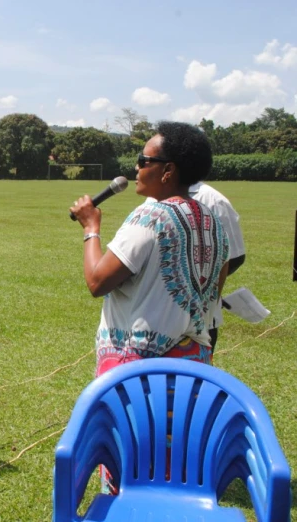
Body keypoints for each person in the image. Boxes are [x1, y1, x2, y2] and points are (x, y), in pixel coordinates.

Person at [70, 121, 230, 494]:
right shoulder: (213, 222)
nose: (136, 168)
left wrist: (91, 228)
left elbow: (97, 281)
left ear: (168, 170)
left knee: (130, 480)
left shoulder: (150, 217)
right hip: (193, 368)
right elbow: (214, 288)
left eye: (144, 160)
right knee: (177, 476)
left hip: (140, 375)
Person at [188, 181, 245, 350]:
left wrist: (199, 282)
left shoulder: (213, 200)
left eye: (144, 161)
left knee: (194, 374)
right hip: (156, 320)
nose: (137, 167)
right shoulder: (153, 198)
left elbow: (235, 257)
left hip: (201, 317)